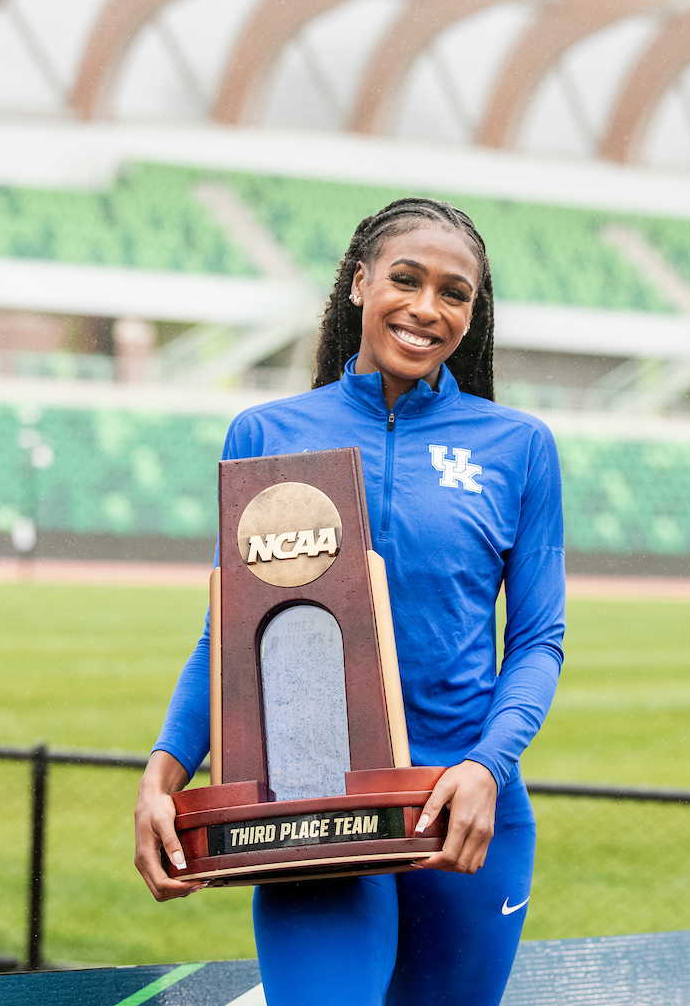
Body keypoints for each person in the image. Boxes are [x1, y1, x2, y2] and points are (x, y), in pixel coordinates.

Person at [134, 197, 565, 1006]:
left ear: (475, 311)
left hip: (464, 813)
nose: (427, 309)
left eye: (455, 292)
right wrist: (162, 775)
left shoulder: (520, 446)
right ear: (360, 284)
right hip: (314, 812)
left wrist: (486, 767)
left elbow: (539, 640)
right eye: (406, 279)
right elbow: (226, 639)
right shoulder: (265, 432)